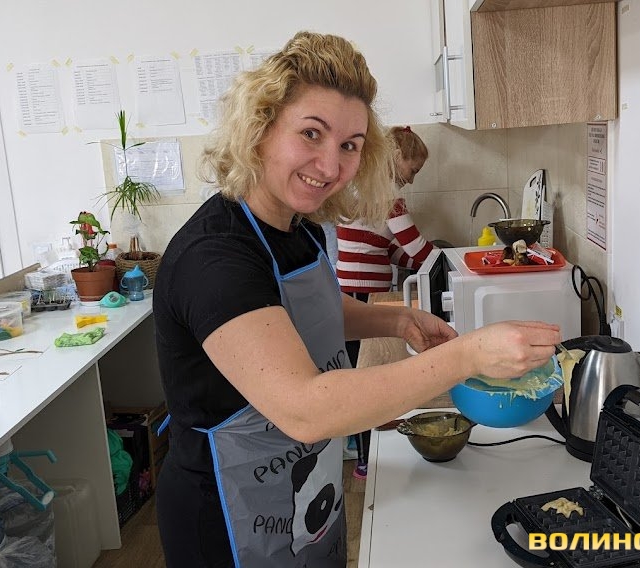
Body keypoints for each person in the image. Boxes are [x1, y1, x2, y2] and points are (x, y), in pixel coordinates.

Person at [153, 30, 561, 568]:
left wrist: (397, 322)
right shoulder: (215, 259)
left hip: (303, 486)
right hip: (228, 516)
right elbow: (305, 409)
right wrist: (466, 356)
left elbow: (305, 313)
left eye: (349, 145)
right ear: (261, 129)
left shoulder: (296, 225)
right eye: (311, 133)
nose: (330, 166)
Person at [334, 125, 434, 479]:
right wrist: (451, 265)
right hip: (361, 294)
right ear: (396, 157)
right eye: (413, 168)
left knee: (357, 372)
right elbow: (419, 251)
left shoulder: (365, 190)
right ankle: (363, 458)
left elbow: (385, 250)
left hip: (352, 290)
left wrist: (425, 262)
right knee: (365, 377)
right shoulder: (389, 199)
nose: (413, 178)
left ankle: (356, 444)